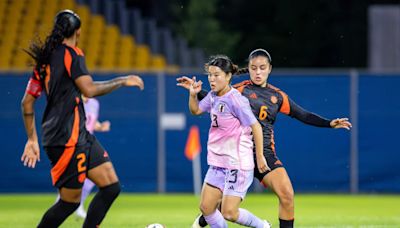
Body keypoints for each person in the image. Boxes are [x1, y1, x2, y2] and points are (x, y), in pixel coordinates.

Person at [177, 49, 352, 228]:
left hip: (263, 155)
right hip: (235, 155)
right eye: (253, 68)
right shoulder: (239, 90)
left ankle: (209, 217)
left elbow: (303, 115)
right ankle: (207, 216)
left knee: (286, 195)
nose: (258, 72)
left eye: (262, 68)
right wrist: (196, 92)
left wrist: (329, 123)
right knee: (219, 207)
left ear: (270, 69)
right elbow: (216, 100)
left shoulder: (277, 96)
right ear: (249, 69)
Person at [20, 9, 144, 228]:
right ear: (78, 32)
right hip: (66, 137)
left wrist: (31, 139)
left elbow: (27, 102)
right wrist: (123, 80)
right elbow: (89, 90)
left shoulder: (45, 59)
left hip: (78, 135)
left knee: (111, 186)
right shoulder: (72, 54)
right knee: (69, 203)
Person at [186, 55, 271, 228]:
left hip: (237, 164)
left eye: (216, 75)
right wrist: (193, 95)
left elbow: (256, 127)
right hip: (218, 163)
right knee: (206, 207)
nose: (211, 79)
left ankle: (263, 226)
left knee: (229, 213)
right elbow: (195, 111)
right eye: (210, 75)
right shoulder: (212, 96)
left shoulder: (236, 100)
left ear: (228, 76)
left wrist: (260, 156)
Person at [55, 96, 111, 219]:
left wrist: (100, 126)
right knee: (73, 177)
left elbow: (91, 122)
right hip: (73, 144)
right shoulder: (73, 101)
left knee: (92, 177)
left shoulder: (94, 103)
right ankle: (61, 204)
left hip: (88, 144)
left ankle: (77, 205)